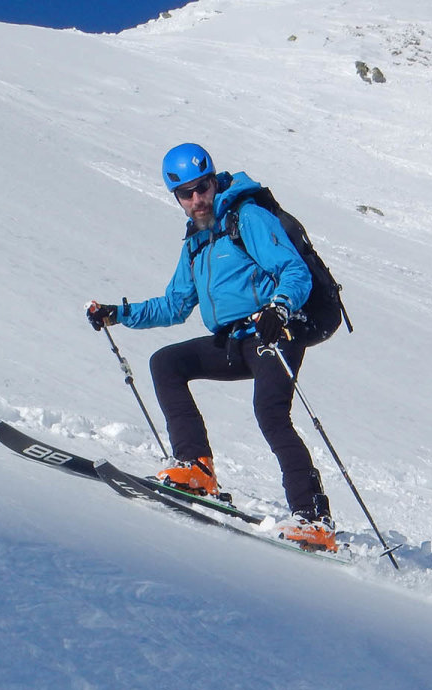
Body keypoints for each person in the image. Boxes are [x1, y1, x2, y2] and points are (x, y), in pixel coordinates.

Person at [85, 143, 344, 553]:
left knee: (271, 414)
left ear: (212, 180)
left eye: (202, 187)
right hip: (234, 341)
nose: (196, 199)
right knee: (167, 363)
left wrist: (279, 309)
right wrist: (119, 313)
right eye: (185, 193)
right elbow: (175, 304)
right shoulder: (196, 243)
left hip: (275, 334)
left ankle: (315, 520)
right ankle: (197, 469)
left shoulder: (247, 218)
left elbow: (293, 270)